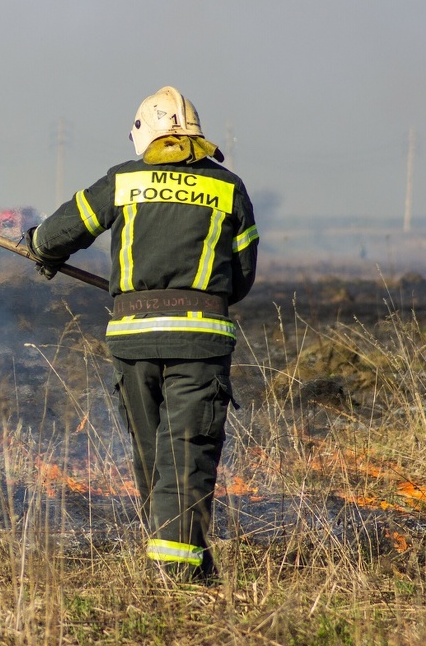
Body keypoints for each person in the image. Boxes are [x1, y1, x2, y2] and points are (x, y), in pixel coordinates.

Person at [25, 86, 259, 583]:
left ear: (143, 135)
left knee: (153, 451)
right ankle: (177, 572)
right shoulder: (228, 188)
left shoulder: (123, 181)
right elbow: (239, 280)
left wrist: (40, 250)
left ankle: (178, 557)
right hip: (198, 343)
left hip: (132, 343)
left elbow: (56, 234)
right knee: (186, 450)